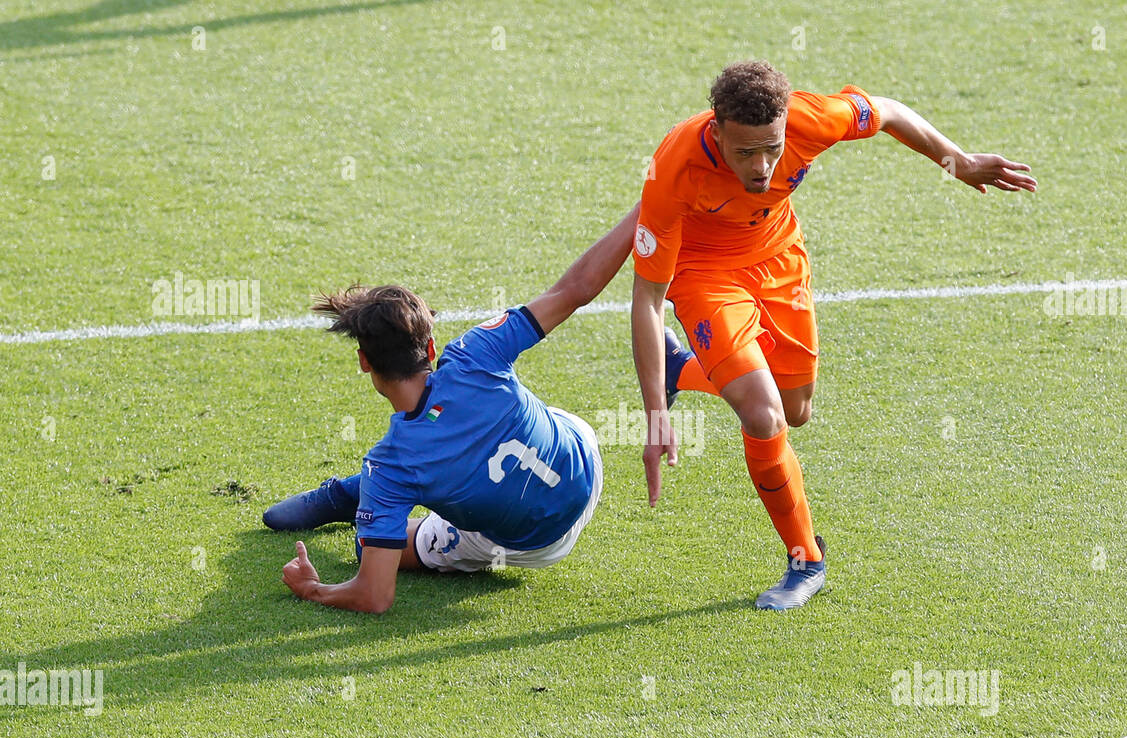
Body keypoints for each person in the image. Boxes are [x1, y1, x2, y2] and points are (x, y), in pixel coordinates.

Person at [630, 61, 1036, 609]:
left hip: (780, 260)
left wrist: (957, 162)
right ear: (716, 128)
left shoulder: (808, 119)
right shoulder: (674, 167)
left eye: (772, 149)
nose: (763, 167)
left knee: (795, 410)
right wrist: (654, 414)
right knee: (764, 416)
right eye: (746, 152)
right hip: (704, 275)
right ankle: (806, 558)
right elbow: (648, 300)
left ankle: (683, 370)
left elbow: (888, 112)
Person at [265, 207, 639, 613]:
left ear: (364, 362)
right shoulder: (475, 352)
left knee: (367, 545)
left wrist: (313, 589)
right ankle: (356, 497)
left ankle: (350, 497)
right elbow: (577, 288)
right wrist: (646, 207)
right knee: (504, 407)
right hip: (584, 453)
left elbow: (374, 595)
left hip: (540, 543)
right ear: (429, 349)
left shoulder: (390, 466)